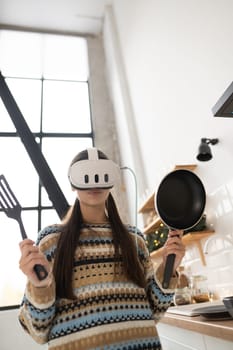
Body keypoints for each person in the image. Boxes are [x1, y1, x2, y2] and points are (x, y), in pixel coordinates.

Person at [18, 147, 185, 350]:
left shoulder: (134, 239)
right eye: (85, 175)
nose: (94, 182)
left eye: (102, 174)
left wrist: (170, 265)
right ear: (72, 184)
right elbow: (38, 332)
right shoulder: (51, 241)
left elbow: (153, 312)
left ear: (111, 179)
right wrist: (40, 286)